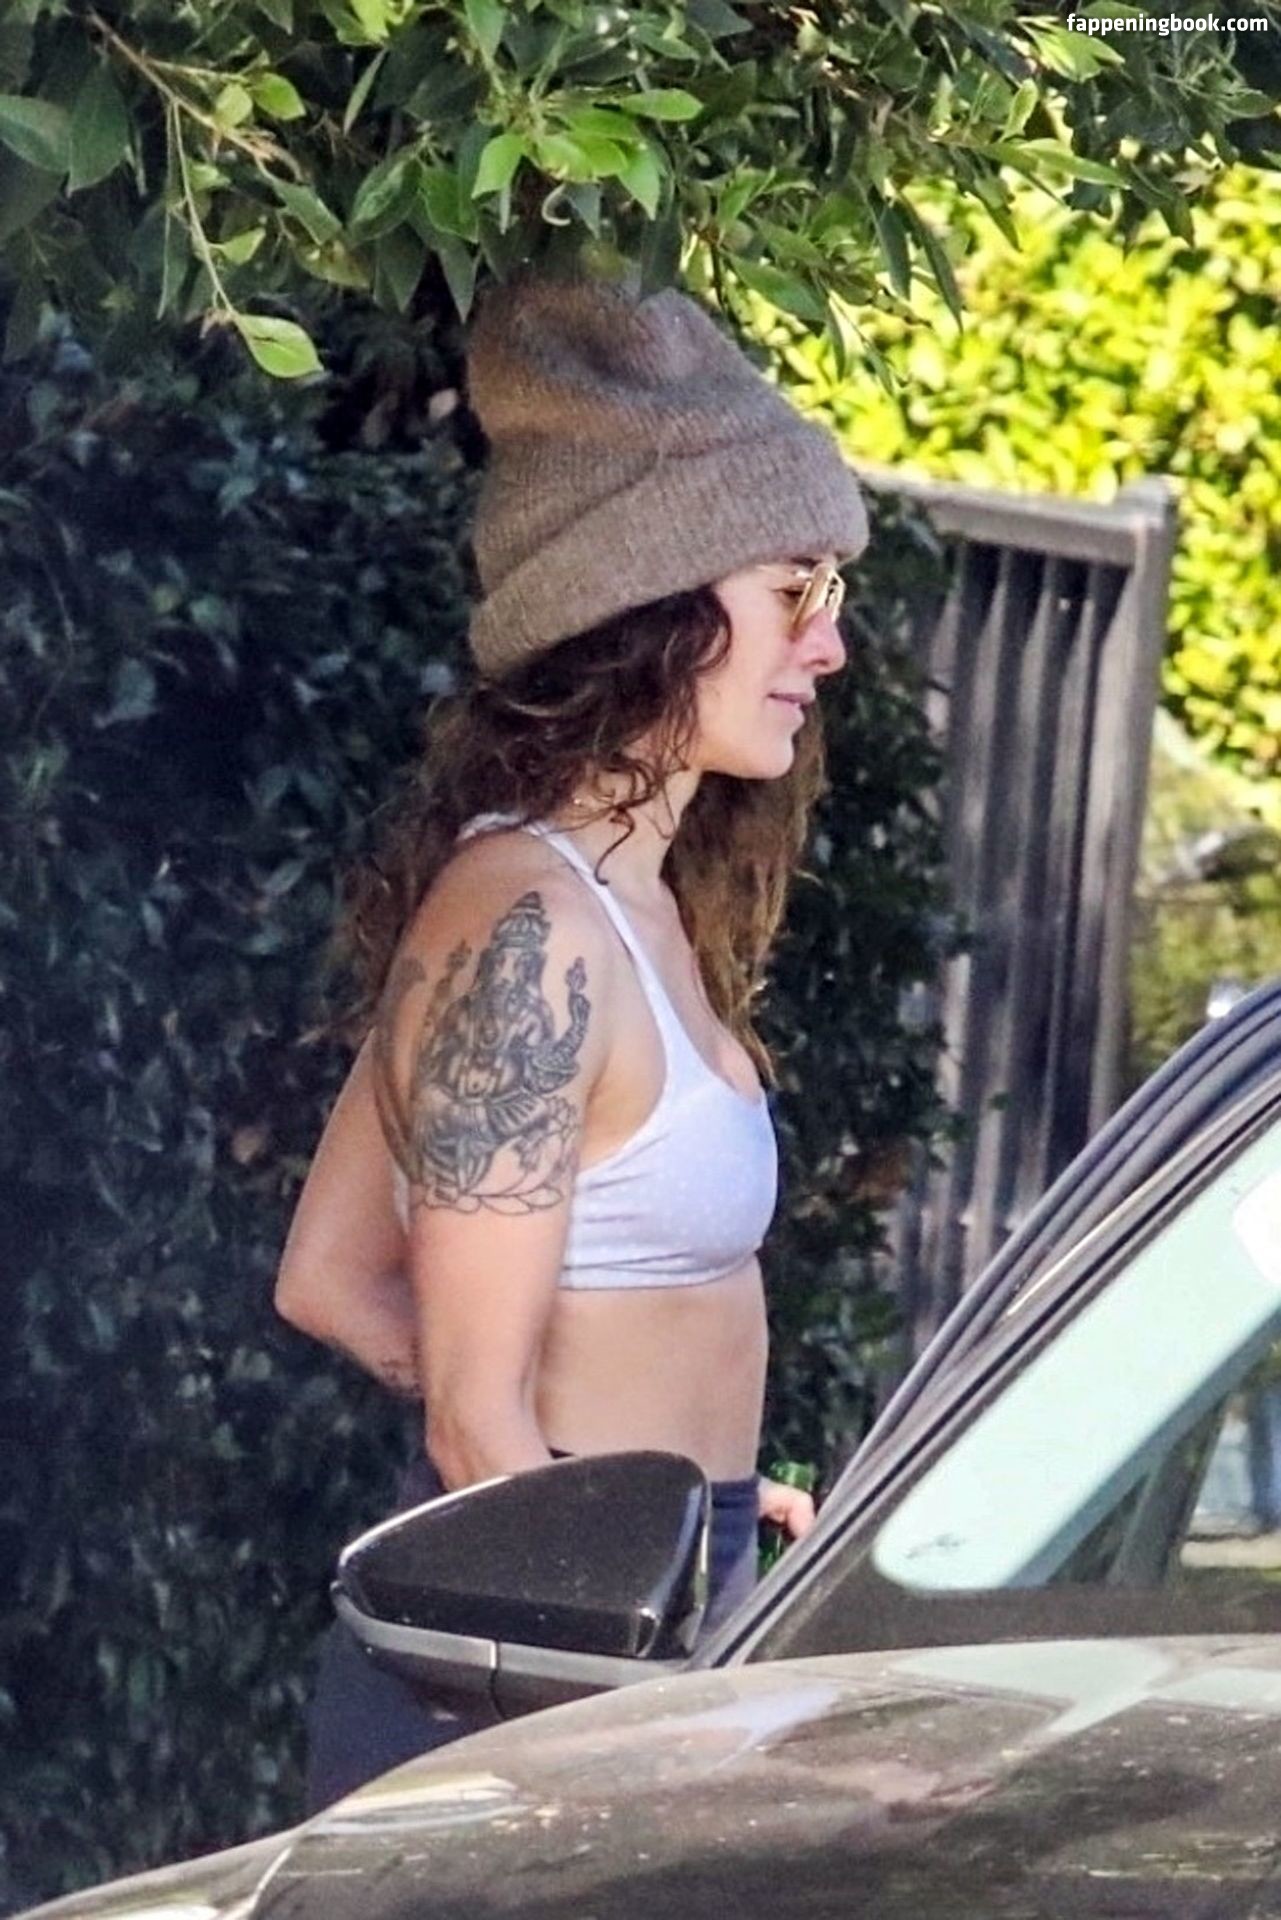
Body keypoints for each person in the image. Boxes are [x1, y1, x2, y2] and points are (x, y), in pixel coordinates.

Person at [275, 268, 870, 1809]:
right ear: (654, 605)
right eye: (793, 591)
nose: (827, 646)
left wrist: (674, 1514)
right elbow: (475, 1420)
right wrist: (617, 1571)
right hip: (547, 1669)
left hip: (638, 1589)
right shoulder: (523, 931)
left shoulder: (624, 903)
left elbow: (328, 1274)